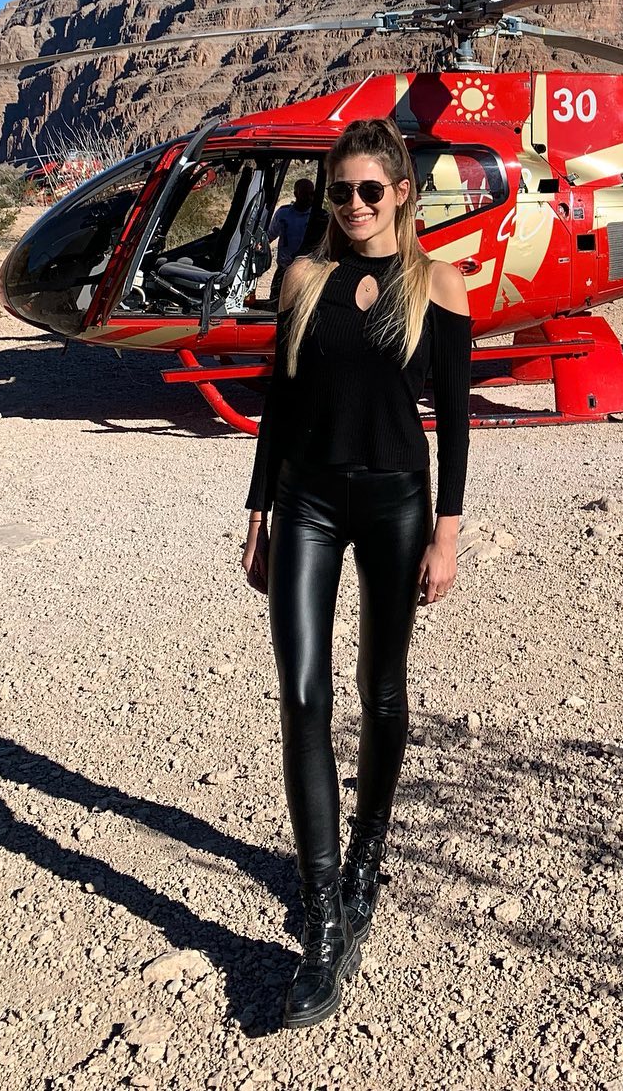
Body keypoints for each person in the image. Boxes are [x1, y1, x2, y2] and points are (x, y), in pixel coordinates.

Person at [240, 118, 472, 1029]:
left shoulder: (436, 286)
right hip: (303, 500)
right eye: (339, 192)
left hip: (394, 503)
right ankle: (325, 921)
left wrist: (446, 535)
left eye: (370, 191)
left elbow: (454, 422)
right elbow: (280, 405)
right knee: (302, 695)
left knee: (382, 689)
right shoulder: (302, 279)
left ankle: (369, 850)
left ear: (402, 193)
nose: (354, 207)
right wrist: (257, 511)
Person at [266, 176, 316, 307]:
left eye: (312, 194)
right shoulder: (283, 214)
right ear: (296, 194)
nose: (309, 197)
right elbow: (270, 236)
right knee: (275, 306)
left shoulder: (318, 217)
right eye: (304, 193)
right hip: (284, 269)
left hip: (308, 271)